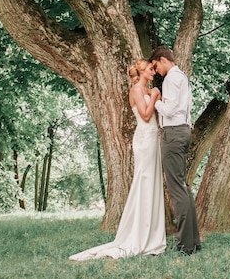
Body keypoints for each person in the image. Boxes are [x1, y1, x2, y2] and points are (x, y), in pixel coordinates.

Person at [69, 59, 166, 260]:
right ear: (141, 73)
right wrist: (155, 95)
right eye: (150, 69)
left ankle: (153, 234)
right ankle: (140, 233)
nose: (153, 71)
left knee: (152, 182)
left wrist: (155, 95)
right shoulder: (137, 91)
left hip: (153, 138)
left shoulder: (147, 91)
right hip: (145, 138)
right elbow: (146, 117)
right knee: (144, 182)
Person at [149, 46, 201, 255]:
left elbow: (169, 110)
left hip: (173, 133)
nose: (156, 72)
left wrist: (156, 101)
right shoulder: (183, 77)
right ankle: (193, 241)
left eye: (156, 66)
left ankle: (185, 246)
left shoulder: (171, 78)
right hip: (184, 131)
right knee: (183, 188)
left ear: (163, 60)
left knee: (177, 190)